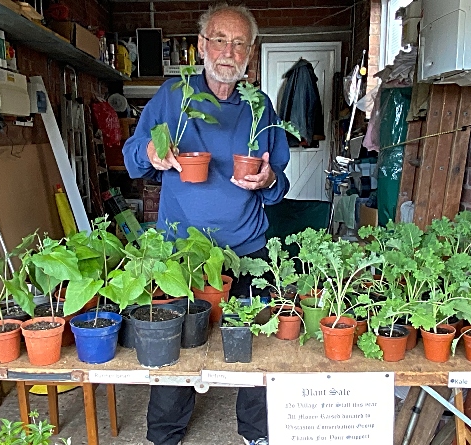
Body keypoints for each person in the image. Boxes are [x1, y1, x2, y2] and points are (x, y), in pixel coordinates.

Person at [123, 4, 290, 445]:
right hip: (182, 254)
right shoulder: (174, 97)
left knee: (252, 343)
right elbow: (132, 156)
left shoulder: (259, 107)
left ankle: (256, 434)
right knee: (175, 348)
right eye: (219, 39)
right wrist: (152, 156)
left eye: (239, 43)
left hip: (246, 249)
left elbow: (279, 185)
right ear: (201, 45)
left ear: (250, 53)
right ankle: (165, 436)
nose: (228, 52)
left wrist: (269, 179)